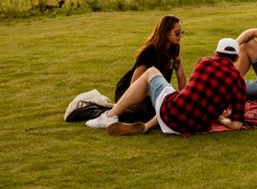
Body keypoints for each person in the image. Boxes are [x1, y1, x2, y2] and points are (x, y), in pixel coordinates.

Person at [86, 38, 246, 136]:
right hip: (197, 126)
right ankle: (146, 126)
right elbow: (237, 125)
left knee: (151, 72)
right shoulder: (239, 82)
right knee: (176, 100)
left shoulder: (204, 62)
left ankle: (108, 116)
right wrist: (222, 119)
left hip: (173, 112)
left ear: (216, 53)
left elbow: (191, 92)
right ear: (237, 57)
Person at [113, 15, 186, 123]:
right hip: (129, 91)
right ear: (166, 32)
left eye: (181, 32)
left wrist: (184, 100)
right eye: (177, 32)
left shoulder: (174, 48)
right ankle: (112, 114)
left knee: (164, 111)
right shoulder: (150, 52)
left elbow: (181, 76)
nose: (180, 36)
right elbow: (134, 84)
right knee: (144, 114)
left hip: (151, 92)